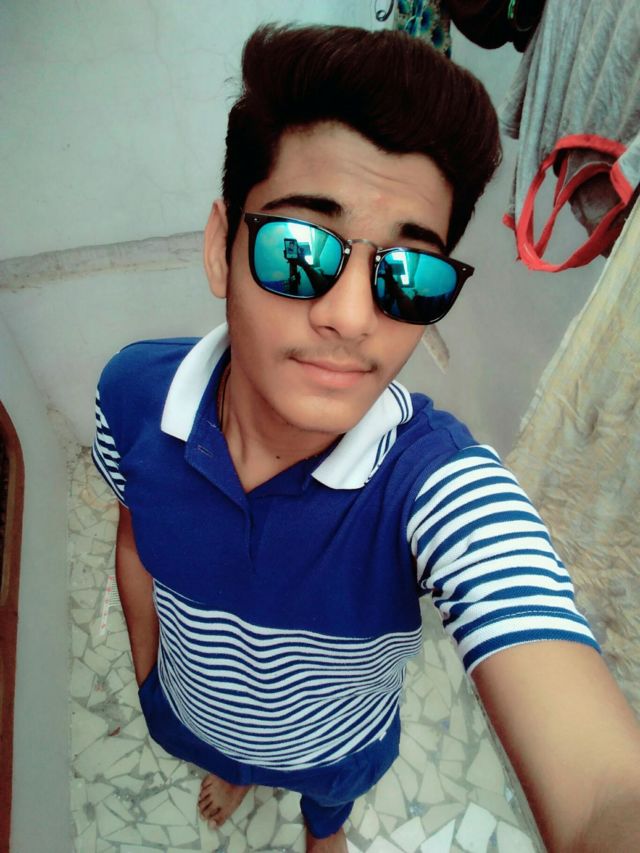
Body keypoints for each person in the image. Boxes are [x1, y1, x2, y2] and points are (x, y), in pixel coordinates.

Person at [92, 23, 640, 853]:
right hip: (192, 714)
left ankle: (324, 831)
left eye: (408, 273)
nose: (351, 316)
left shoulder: (439, 486)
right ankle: (237, 767)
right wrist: (150, 676)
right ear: (220, 247)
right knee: (225, 753)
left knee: (329, 801)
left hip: (336, 747)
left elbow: (604, 791)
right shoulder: (131, 395)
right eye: (299, 247)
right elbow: (134, 533)